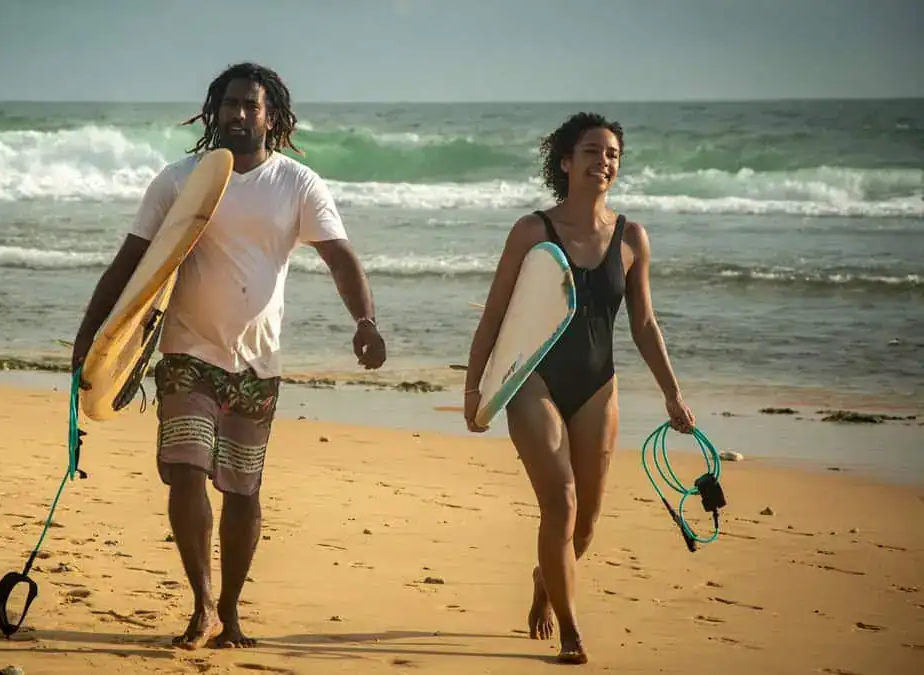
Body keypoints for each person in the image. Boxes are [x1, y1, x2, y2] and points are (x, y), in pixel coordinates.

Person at [69, 62, 386, 650]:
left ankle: (232, 613)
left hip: (258, 364)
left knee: (242, 491)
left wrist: (365, 321)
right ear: (214, 110)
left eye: (251, 106)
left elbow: (340, 257)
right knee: (186, 469)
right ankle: (202, 605)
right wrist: (94, 340)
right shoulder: (181, 180)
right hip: (188, 352)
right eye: (230, 104)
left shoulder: (298, 184)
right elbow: (130, 262)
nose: (239, 114)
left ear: (273, 116)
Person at [462, 112, 694, 665]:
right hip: (533, 378)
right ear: (565, 161)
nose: (604, 161)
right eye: (592, 151)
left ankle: (546, 580)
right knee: (560, 502)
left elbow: (644, 325)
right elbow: (494, 315)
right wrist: (475, 389)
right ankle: (571, 629)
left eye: (612, 153)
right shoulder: (531, 231)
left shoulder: (632, 237)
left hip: (597, 386)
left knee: (585, 524)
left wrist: (672, 392)